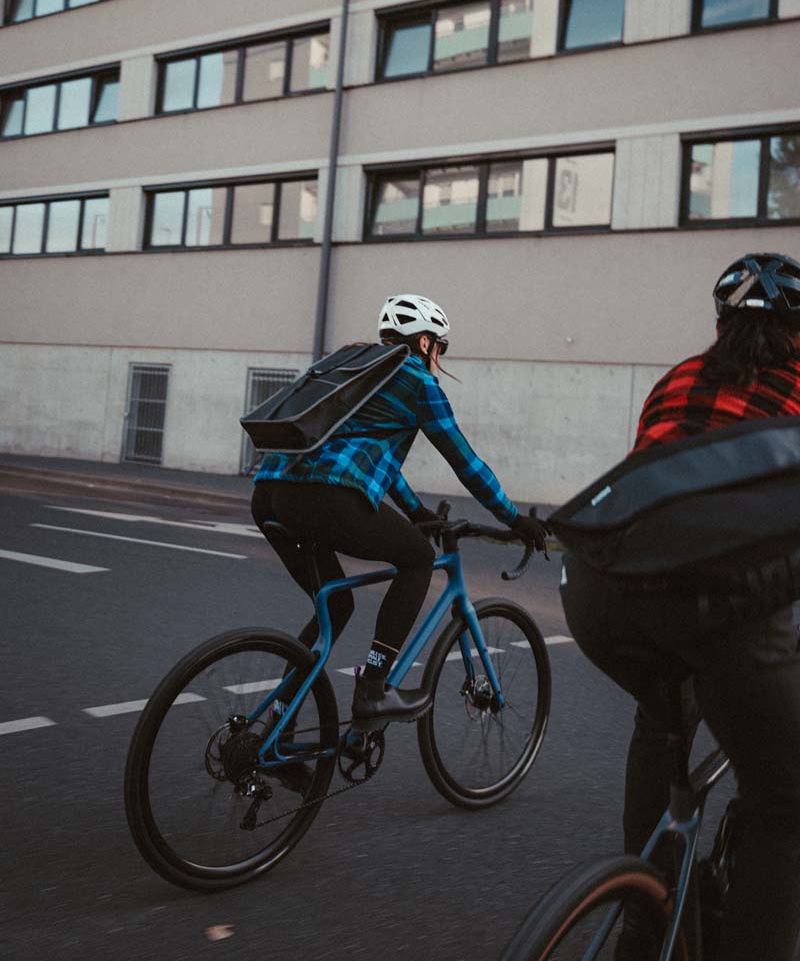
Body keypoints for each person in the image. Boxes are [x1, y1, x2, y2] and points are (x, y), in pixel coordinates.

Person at [559, 252, 800, 961]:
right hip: (722, 597)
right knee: (788, 802)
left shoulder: (677, 378)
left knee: (663, 724)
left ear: (720, 321)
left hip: (604, 587)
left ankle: (648, 914)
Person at [251, 293, 547, 726]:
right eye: (439, 347)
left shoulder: (355, 365)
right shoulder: (417, 381)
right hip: (324, 496)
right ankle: (373, 689)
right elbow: (465, 462)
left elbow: (368, 459)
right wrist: (514, 518)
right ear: (426, 343)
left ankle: (277, 724)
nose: (438, 357)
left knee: (335, 608)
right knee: (418, 559)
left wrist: (415, 511)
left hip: (269, 493)